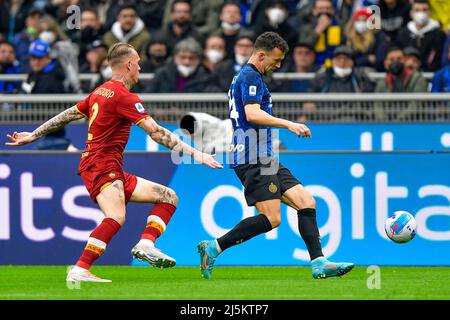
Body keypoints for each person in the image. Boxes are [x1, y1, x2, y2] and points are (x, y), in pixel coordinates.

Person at [6, 42, 223, 282]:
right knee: (116, 216)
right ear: (129, 64)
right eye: (138, 62)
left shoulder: (100, 91)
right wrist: (197, 154)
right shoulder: (124, 97)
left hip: (108, 166)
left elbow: (68, 114)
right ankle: (80, 269)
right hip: (101, 164)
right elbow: (157, 133)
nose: (140, 67)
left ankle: (145, 244)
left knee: (168, 197)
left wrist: (34, 134)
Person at [197, 32, 354, 280]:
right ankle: (214, 247)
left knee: (306, 202)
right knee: (271, 218)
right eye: (276, 59)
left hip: (264, 156)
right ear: (261, 55)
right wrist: (289, 124)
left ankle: (319, 262)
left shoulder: (247, 76)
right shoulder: (250, 75)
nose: (278, 65)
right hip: (252, 156)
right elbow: (252, 114)